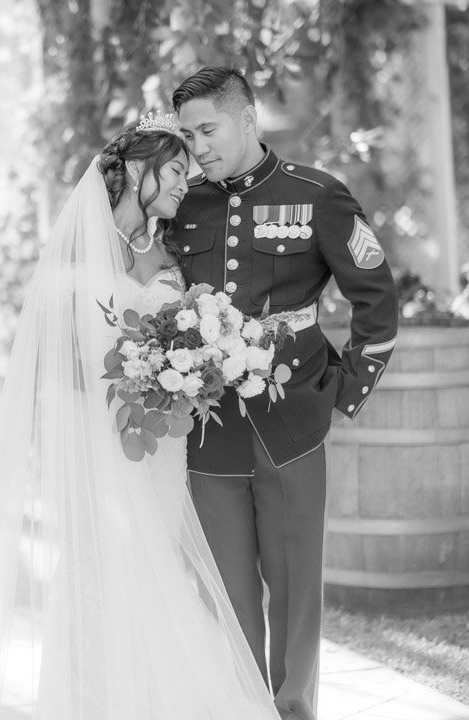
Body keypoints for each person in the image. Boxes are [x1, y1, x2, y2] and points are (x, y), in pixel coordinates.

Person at [0, 112, 281, 719]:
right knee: (104, 575)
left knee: (161, 570)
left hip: (162, 444)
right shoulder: (75, 253)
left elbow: (184, 331)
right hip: (100, 442)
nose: (185, 183)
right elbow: (57, 362)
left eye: (188, 172)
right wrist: (137, 374)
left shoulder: (162, 248)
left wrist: (190, 368)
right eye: (175, 171)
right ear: (134, 170)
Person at [170, 67, 399, 720]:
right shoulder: (181, 204)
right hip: (208, 429)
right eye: (188, 136)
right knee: (226, 590)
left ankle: (294, 711)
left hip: (293, 422)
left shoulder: (317, 196)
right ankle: (242, 710)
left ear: (247, 120)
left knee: (296, 589)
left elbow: (376, 298)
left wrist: (345, 393)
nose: (199, 147)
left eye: (208, 129)